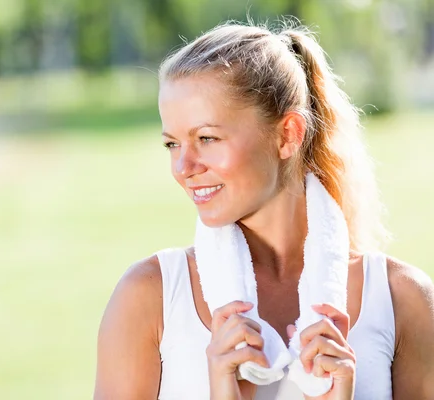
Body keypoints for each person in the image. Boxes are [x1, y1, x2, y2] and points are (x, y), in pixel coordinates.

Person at [94, 20, 434, 400]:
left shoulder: (401, 299)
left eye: (206, 138)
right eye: (172, 144)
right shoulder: (150, 297)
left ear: (288, 134)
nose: (183, 167)